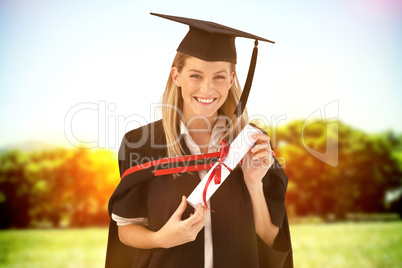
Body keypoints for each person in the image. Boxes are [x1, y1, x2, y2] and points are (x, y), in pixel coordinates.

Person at [105, 13, 293, 268]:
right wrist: (162, 238)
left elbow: (272, 238)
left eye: (219, 76)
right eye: (195, 75)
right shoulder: (141, 143)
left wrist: (254, 184)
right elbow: (126, 229)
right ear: (176, 76)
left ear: (232, 79)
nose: (207, 89)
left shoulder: (250, 143)